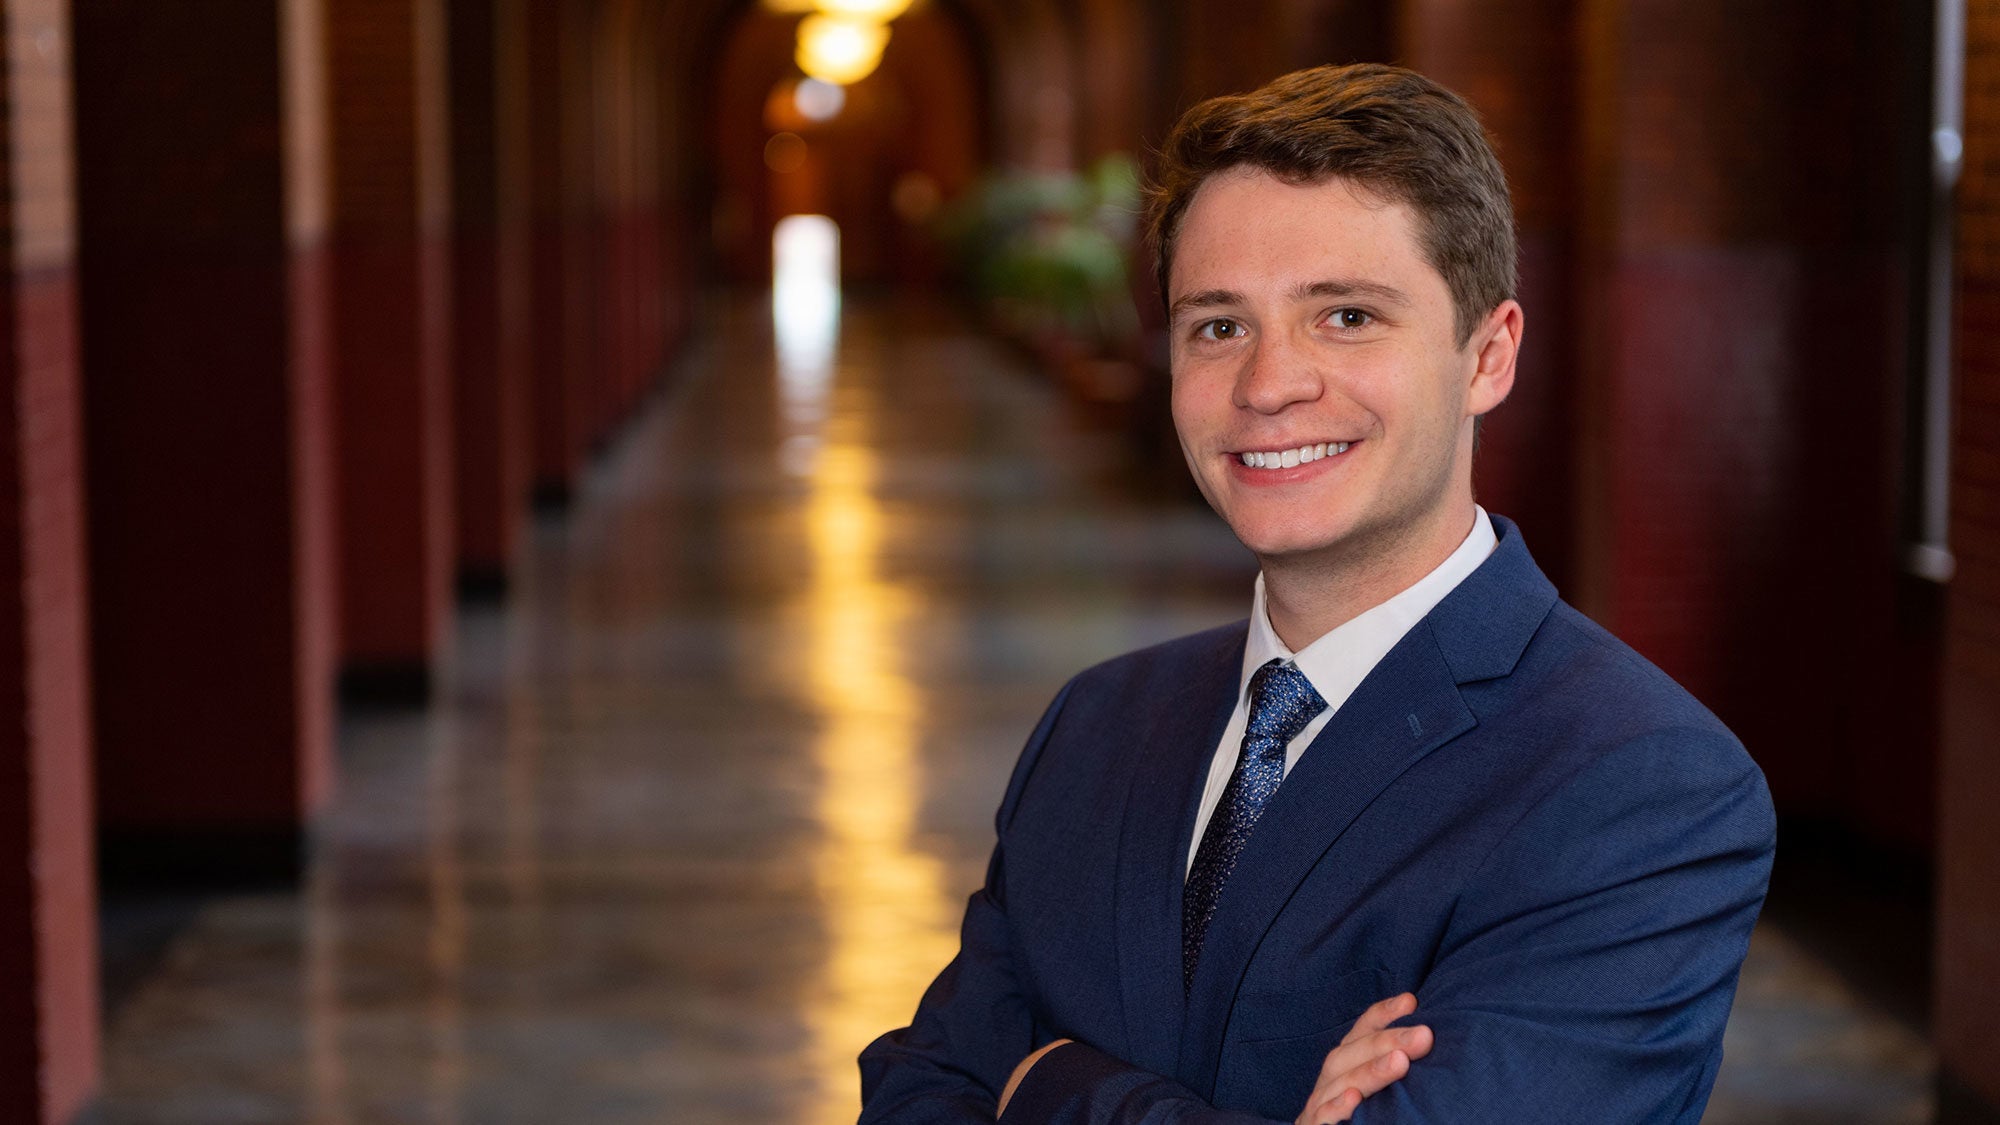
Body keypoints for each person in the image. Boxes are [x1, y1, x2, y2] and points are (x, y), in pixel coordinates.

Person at [857, 62, 1775, 1124]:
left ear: (1486, 356)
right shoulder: (1096, 723)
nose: (1266, 384)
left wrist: (1048, 1085)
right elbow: (916, 1089)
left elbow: (984, 1077)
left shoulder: (1641, 787)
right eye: (1217, 325)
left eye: (1343, 316)